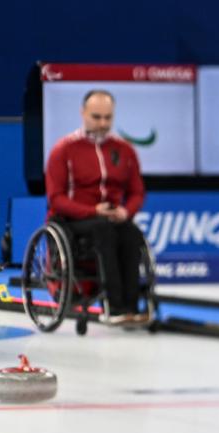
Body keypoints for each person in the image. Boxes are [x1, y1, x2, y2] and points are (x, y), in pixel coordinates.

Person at [45, 89, 147, 325]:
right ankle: (115, 306)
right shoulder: (64, 150)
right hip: (73, 219)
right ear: (83, 113)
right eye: (96, 117)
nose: (103, 123)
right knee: (104, 230)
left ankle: (132, 307)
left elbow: (136, 191)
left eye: (108, 118)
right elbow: (56, 198)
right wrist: (93, 211)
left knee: (132, 234)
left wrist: (126, 211)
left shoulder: (125, 150)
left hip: (112, 217)